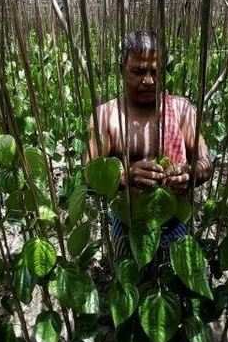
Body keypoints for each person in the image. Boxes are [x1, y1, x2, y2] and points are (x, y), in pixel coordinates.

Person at [87, 30, 213, 260]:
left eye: (155, 72)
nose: (148, 80)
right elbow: (88, 173)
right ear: (121, 70)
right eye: (138, 71)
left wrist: (189, 173)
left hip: (175, 220)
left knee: (172, 284)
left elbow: (206, 163)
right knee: (130, 284)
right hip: (128, 226)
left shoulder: (182, 110)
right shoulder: (107, 116)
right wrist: (124, 177)